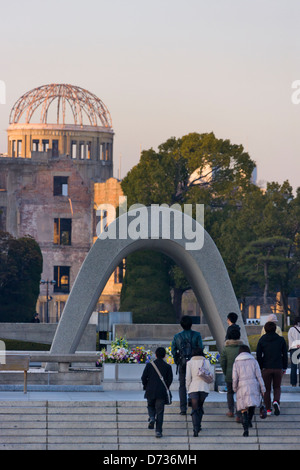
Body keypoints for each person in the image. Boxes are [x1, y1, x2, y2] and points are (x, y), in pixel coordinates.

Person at [171, 315, 203, 415]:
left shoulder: (177, 336)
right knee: (194, 383)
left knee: (182, 385)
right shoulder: (197, 335)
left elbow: (173, 350)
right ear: (191, 324)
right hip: (194, 363)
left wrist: (177, 361)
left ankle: (183, 408)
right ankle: (192, 401)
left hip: (182, 362)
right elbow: (201, 349)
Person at [232, 345, 266, 437]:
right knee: (252, 404)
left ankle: (245, 429)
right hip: (253, 385)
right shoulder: (254, 361)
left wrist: (234, 388)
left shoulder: (236, 363)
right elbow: (259, 376)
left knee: (243, 408)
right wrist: (263, 388)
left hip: (242, 386)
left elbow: (235, 378)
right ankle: (249, 421)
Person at [256, 321, 288, 416]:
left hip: (266, 367)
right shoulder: (281, 340)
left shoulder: (262, 339)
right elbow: (285, 355)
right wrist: (284, 366)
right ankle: (276, 401)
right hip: (278, 367)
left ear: (265, 329)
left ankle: (268, 409)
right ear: (275, 329)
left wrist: (261, 366)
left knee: (267, 389)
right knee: (277, 387)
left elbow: (258, 355)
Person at [141, 347, 173, 438]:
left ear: (155, 355)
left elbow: (143, 377)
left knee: (150, 405)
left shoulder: (149, 365)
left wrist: (146, 386)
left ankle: (151, 417)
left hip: (150, 390)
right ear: (164, 356)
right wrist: (165, 387)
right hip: (161, 392)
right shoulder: (168, 366)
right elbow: (169, 380)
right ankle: (158, 431)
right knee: (160, 412)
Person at [185, 347, 210, 436]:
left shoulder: (190, 363)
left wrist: (188, 388)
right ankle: (198, 425)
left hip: (193, 387)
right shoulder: (206, 362)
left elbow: (188, 378)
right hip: (204, 387)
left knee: (195, 408)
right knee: (200, 406)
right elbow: (210, 374)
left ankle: (195, 428)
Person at [220, 328, 244, 420]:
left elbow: (222, 362)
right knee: (240, 394)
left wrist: (226, 372)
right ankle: (239, 414)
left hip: (230, 375)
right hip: (241, 375)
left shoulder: (226, 348)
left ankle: (231, 410)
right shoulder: (242, 347)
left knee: (230, 393)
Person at [287, 316, 300, 387]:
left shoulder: (291, 329)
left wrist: (296, 344)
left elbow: (290, 339)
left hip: (294, 350)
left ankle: (293, 383)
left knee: (293, 367)